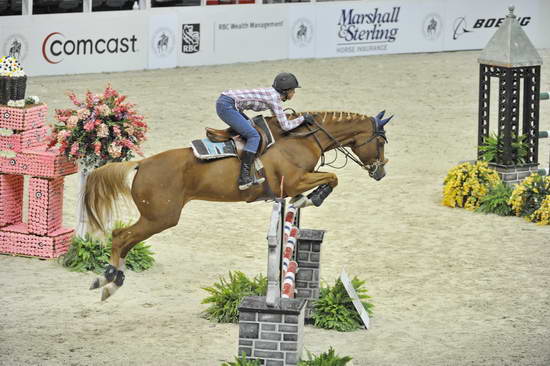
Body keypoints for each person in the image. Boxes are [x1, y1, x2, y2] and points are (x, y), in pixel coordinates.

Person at [216, 72, 315, 191]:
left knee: (254, 129)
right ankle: (244, 177)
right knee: (254, 136)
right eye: (293, 90)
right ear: (285, 91)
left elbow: (277, 118)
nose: (294, 93)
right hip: (227, 106)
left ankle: (250, 170)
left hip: (229, 103)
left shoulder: (273, 95)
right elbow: (285, 126)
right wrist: (303, 119)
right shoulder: (275, 98)